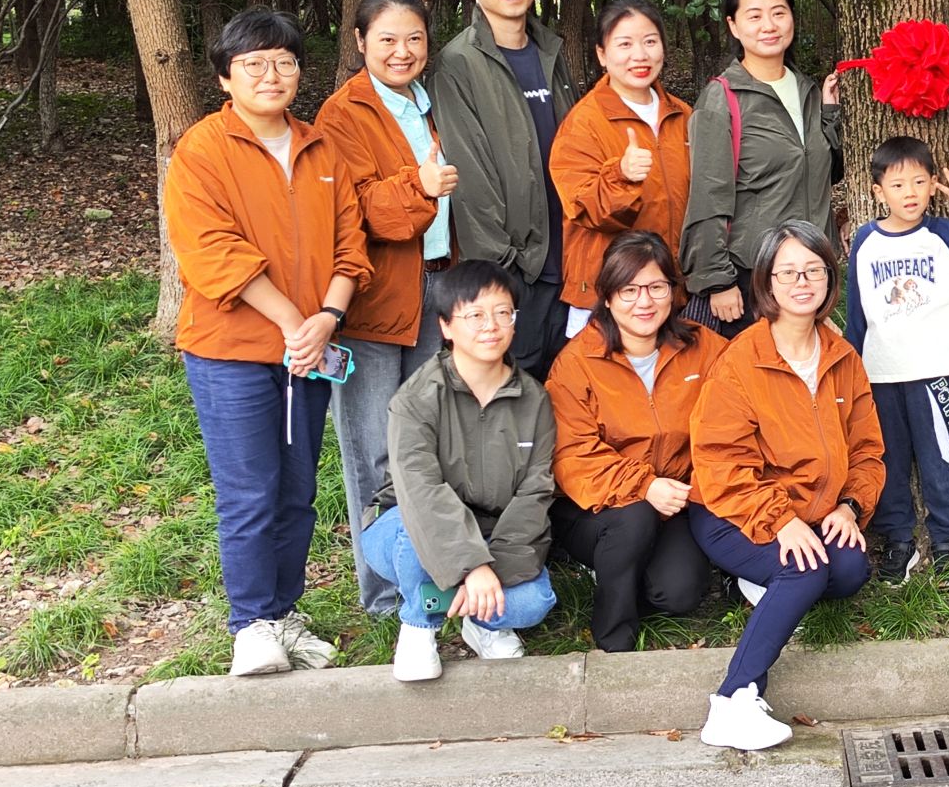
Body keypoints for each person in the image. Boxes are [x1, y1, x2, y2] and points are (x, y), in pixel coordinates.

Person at [164, 9, 372, 676]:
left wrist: (327, 318)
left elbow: (350, 243)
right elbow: (211, 250)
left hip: (309, 347)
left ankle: (284, 613)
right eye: (252, 63)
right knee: (250, 491)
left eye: (283, 61)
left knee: (297, 490)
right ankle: (251, 625)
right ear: (226, 78)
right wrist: (292, 320)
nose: (270, 74)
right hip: (231, 351)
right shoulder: (202, 149)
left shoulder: (321, 148)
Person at [689, 223, 883, 750]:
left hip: (814, 512)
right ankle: (733, 700)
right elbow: (721, 461)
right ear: (767, 283)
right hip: (731, 511)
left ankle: (768, 587)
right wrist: (781, 521)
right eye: (788, 272)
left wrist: (850, 505)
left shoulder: (842, 356)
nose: (802, 282)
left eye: (813, 270)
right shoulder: (740, 362)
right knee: (807, 567)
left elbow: (867, 448)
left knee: (850, 569)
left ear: (830, 278)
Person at [314, 0, 459, 619]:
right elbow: (357, 212)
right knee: (374, 449)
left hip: (440, 285)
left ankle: (430, 572)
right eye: (388, 39)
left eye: (414, 38)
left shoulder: (433, 101)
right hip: (373, 297)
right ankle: (384, 593)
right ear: (360, 42)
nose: (402, 51)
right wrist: (418, 186)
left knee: (429, 442)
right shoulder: (342, 115)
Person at [364, 259, 560, 682]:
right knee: (413, 537)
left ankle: (477, 620)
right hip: (403, 523)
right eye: (475, 315)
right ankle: (419, 625)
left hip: (492, 533)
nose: (491, 326)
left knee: (533, 602)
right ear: (446, 326)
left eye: (502, 313)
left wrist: (490, 568)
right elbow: (421, 492)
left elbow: (535, 493)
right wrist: (471, 567)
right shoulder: (417, 398)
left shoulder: (534, 400)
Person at [844, 137, 949, 583]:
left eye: (920, 182)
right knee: (890, 459)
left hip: (933, 372)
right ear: (878, 191)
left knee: (939, 460)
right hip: (881, 372)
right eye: (898, 184)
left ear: (933, 183)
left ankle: (946, 543)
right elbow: (858, 309)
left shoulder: (946, 236)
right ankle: (899, 541)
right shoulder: (865, 241)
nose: (911, 193)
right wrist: (853, 367)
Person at [546, 232, 718, 652]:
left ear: (673, 291)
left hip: (674, 502)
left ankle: (625, 570)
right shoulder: (577, 362)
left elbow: (741, 404)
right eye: (629, 290)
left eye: (657, 287)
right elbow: (572, 455)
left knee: (678, 593)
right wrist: (644, 486)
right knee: (635, 518)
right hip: (594, 508)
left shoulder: (704, 348)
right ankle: (613, 634)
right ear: (607, 296)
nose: (645, 302)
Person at [431, 0, 579, 379]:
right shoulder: (458, 64)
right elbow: (469, 178)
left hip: (571, 264)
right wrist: (503, 272)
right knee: (512, 396)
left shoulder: (550, 50)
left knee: (569, 395)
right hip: (518, 274)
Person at [679, 0, 842, 335]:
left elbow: (822, 172)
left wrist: (829, 114)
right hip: (753, 276)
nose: (769, 25)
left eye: (778, 13)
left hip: (811, 270)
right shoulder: (722, 98)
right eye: (754, 16)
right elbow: (707, 195)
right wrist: (717, 281)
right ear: (733, 26)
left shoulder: (808, 90)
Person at [550, 0, 694, 334]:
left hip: (669, 290)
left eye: (650, 42)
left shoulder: (683, 115)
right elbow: (585, 209)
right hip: (608, 292)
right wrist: (622, 176)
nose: (640, 55)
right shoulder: (584, 123)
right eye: (625, 44)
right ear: (602, 54)